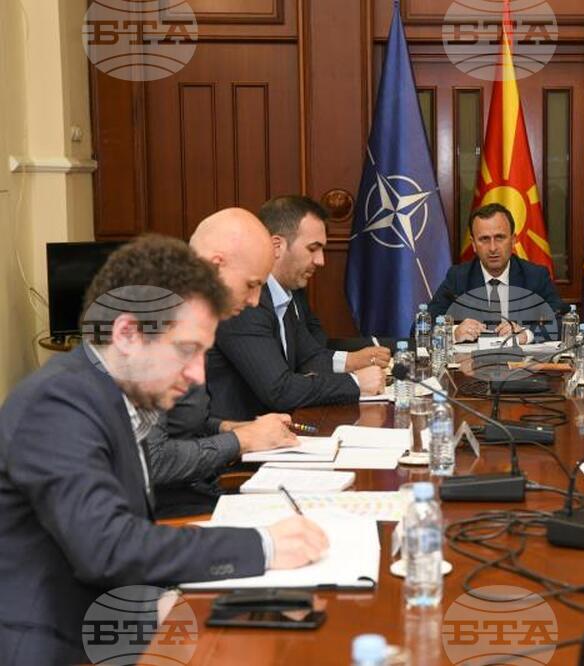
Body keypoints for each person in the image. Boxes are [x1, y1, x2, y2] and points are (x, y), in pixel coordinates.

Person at [0, 236, 328, 663]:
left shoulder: (108, 393)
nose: (196, 375)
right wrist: (263, 547)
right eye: (186, 351)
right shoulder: (57, 403)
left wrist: (177, 600)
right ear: (127, 334)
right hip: (57, 648)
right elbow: (108, 547)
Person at [148, 208, 298, 517]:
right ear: (216, 266)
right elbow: (152, 461)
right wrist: (241, 440)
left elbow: (181, 422)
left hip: (198, 490)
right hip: (161, 513)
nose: (255, 301)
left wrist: (236, 427)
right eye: (251, 285)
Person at [206, 196, 386, 420]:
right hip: (240, 433)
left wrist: (355, 367)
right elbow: (279, 390)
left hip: (279, 425)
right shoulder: (245, 301)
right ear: (277, 246)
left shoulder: (284, 292)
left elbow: (309, 358)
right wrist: (356, 383)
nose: (321, 261)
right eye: (313, 249)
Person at [427, 203, 567, 344]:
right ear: (473, 244)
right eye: (484, 239)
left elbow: (564, 321)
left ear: (513, 240)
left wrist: (526, 334)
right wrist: (454, 332)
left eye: (499, 237)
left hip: (521, 357)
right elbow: (425, 324)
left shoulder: (535, 276)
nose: (493, 248)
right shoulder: (458, 277)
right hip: (472, 358)